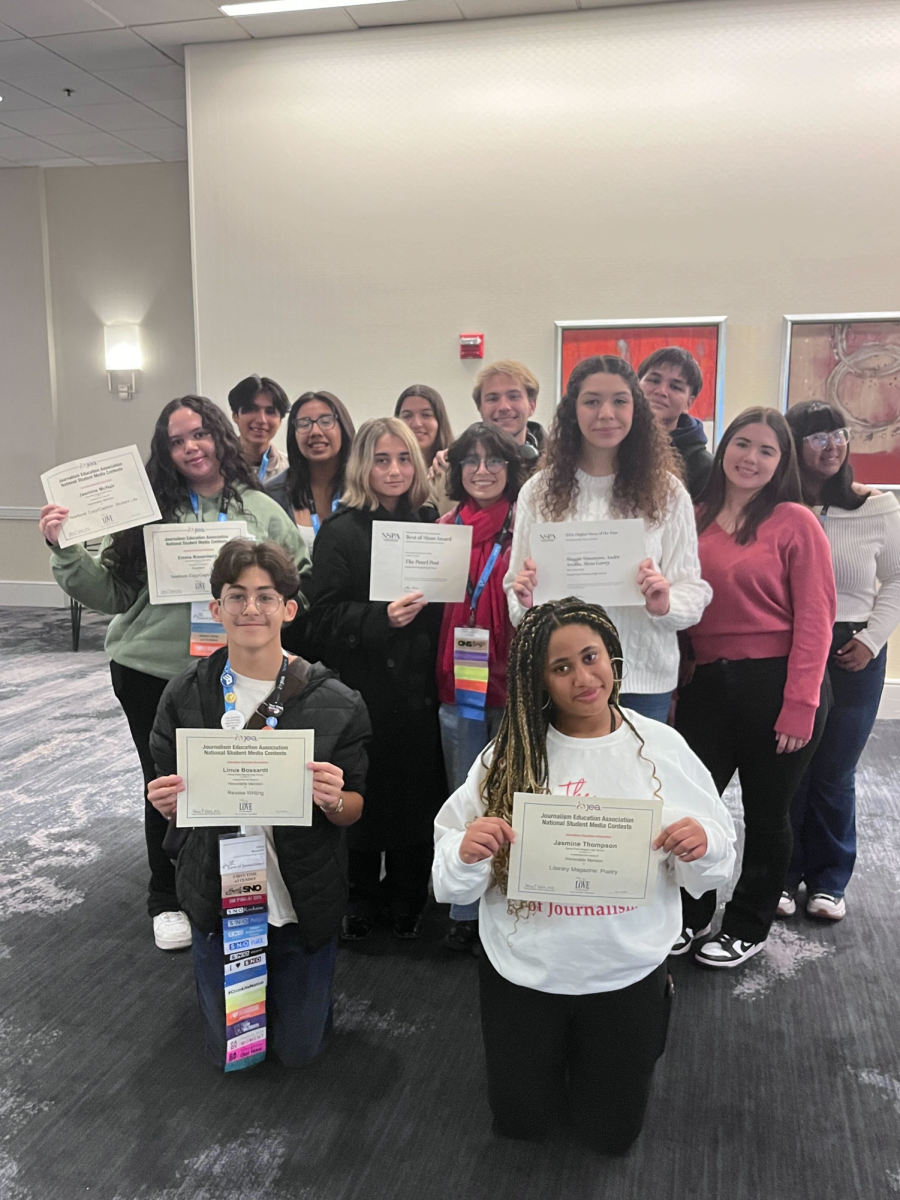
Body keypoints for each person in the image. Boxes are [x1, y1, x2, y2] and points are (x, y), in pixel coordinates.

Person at [433, 599, 736, 1152]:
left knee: (611, 1134)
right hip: (527, 970)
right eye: (561, 667)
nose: (583, 677)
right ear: (540, 680)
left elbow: (718, 859)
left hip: (624, 969)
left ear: (612, 656)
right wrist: (465, 852)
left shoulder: (662, 748)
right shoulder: (512, 754)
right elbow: (450, 879)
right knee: (520, 1122)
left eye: (591, 657)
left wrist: (705, 842)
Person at [39, 395, 311, 952]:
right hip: (151, 669)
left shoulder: (258, 507)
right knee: (167, 788)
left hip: (238, 672)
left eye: (200, 434)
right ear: (165, 452)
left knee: (239, 785)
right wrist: (62, 548)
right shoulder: (146, 512)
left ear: (220, 437)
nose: (191, 447)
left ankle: (237, 890)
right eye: (177, 440)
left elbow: (297, 575)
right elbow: (111, 592)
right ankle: (166, 898)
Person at [147, 539, 369, 1069]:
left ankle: (307, 1003)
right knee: (234, 1051)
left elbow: (355, 808)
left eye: (266, 597)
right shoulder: (184, 696)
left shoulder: (336, 702)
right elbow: (170, 795)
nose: (251, 609)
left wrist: (335, 799)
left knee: (298, 1051)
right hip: (217, 890)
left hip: (299, 892)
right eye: (236, 596)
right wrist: (167, 803)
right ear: (216, 609)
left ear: (288, 609)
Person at [674, 407, 836, 967]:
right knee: (692, 806)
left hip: (778, 683)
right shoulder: (691, 517)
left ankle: (747, 925)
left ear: (782, 462)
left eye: (767, 450)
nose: (751, 458)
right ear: (723, 451)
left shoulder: (795, 521)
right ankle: (688, 916)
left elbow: (816, 618)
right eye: (742, 444)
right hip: (705, 686)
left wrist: (800, 705)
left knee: (768, 814)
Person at [505, 355, 711, 722]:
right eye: (592, 401)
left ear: (636, 408)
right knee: (571, 782)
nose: (606, 413)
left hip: (642, 680)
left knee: (641, 780)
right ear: (573, 411)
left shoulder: (667, 492)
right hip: (566, 677)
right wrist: (525, 601)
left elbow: (692, 592)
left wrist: (665, 602)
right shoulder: (538, 491)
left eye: (619, 400)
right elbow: (516, 592)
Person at [306, 417, 446, 939]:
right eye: (382, 459)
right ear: (363, 466)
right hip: (363, 688)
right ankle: (360, 897)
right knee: (362, 791)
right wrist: (379, 618)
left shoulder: (433, 527)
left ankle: (409, 894)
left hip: (420, 688)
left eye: (404, 459)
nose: (393, 470)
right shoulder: (340, 531)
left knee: (416, 793)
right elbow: (318, 621)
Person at [779, 402, 900, 922]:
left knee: (834, 769)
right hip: (788, 645)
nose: (831, 445)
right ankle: (783, 875)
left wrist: (873, 640)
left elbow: (895, 579)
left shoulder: (879, 506)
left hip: (855, 646)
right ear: (793, 445)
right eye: (816, 436)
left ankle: (829, 880)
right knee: (789, 765)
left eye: (839, 434)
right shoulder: (777, 505)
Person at [435, 422, 524, 951]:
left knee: (516, 794)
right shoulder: (443, 528)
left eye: (495, 461)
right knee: (463, 796)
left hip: (516, 686)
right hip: (457, 686)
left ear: (513, 471)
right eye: (471, 461)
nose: (483, 471)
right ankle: (463, 909)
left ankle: (514, 897)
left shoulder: (529, 526)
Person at [266, 390, 356, 547]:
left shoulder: (366, 490)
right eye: (304, 424)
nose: (315, 432)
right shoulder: (273, 494)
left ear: (343, 428)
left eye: (326, 421)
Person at [637, 347, 714, 500]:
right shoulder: (611, 445)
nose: (661, 391)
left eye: (675, 386)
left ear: (688, 403)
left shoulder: (704, 468)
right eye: (653, 380)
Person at [473, 359, 545, 472]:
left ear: (532, 406)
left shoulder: (560, 464)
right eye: (493, 399)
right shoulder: (456, 462)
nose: (504, 407)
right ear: (480, 408)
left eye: (514, 397)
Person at [395, 385, 455, 512]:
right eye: (407, 416)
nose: (417, 424)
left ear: (439, 421)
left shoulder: (451, 470)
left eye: (426, 415)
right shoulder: (386, 472)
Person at [228, 374, 290, 483]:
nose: (261, 420)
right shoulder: (216, 468)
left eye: (270, 412)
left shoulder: (289, 471)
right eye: (251, 409)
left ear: (280, 420)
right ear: (235, 415)